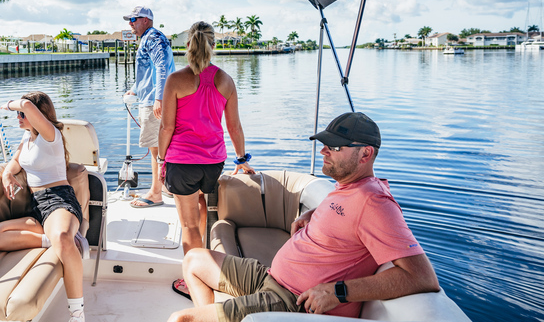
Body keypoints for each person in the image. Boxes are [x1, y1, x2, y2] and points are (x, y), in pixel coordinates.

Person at [168, 112, 440, 322]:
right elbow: (345, 219)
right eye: (325, 144)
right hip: (271, 277)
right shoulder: (347, 186)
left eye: (334, 147)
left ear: (365, 154)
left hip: (292, 301)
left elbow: (421, 277)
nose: (324, 151)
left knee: (181, 319)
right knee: (195, 260)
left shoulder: (375, 203)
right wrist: (314, 213)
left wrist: (338, 292)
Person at [158, 21, 254, 298]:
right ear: (214, 46)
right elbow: (234, 127)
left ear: (188, 44)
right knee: (199, 201)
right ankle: (202, 258)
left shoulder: (176, 80)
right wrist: (241, 159)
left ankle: (193, 280)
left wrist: (162, 159)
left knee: (187, 224)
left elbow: (166, 128)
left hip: (183, 161)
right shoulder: (225, 80)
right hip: (214, 161)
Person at [0, 91, 90, 322]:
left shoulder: (51, 135)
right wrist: (7, 176)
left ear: (38, 114)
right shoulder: (27, 138)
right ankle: (55, 240)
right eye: (18, 113)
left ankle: (77, 314)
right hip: (37, 206)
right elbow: (14, 163)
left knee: (61, 235)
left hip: (59, 200)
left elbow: (28, 105)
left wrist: (9, 104)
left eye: (22, 113)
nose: (18, 116)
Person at [123, 5, 176, 208]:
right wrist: (135, 89)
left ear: (146, 20)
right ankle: (162, 187)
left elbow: (161, 67)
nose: (130, 23)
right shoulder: (149, 38)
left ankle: (155, 193)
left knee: (156, 149)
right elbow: (148, 71)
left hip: (154, 101)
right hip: (149, 98)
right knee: (158, 148)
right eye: (130, 20)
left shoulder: (153, 37)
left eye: (134, 19)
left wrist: (159, 98)